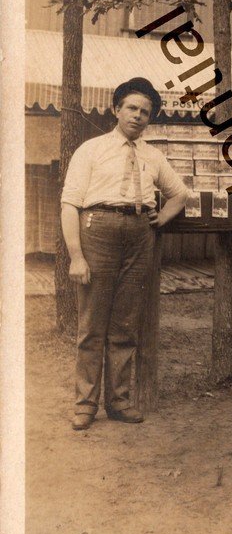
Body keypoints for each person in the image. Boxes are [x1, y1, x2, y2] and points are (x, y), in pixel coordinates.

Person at [61, 78, 189, 431]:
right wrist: (76, 255)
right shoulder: (91, 149)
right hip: (97, 230)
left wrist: (161, 217)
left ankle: (118, 401)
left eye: (145, 112)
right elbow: (69, 204)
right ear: (116, 109)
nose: (138, 116)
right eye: (131, 108)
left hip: (139, 234)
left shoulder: (153, 155)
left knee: (125, 323)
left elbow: (180, 194)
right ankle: (85, 405)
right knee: (92, 325)